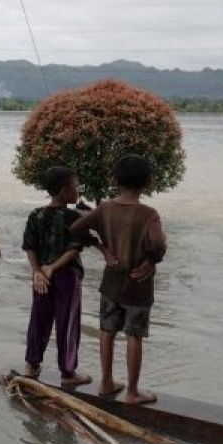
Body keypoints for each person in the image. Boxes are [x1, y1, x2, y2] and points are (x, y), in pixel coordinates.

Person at [69, 154, 167, 405]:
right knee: (134, 335)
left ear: (115, 180)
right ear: (148, 183)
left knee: (107, 331)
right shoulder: (149, 214)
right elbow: (158, 243)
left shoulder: (105, 209)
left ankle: (105, 382)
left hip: (111, 282)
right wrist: (151, 261)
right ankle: (132, 392)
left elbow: (76, 228)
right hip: (138, 284)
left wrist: (102, 247)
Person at [21, 166, 104, 387]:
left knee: (38, 321)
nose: (78, 190)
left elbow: (29, 247)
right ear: (64, 191)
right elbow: (74, 248)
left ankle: (31, 366)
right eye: (76, 186)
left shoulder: (35, 215)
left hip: (41, 278)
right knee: (67, 324)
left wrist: (38, 271)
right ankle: (68, 373)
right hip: (67, 276)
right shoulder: (73, 217)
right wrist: (54, 267)